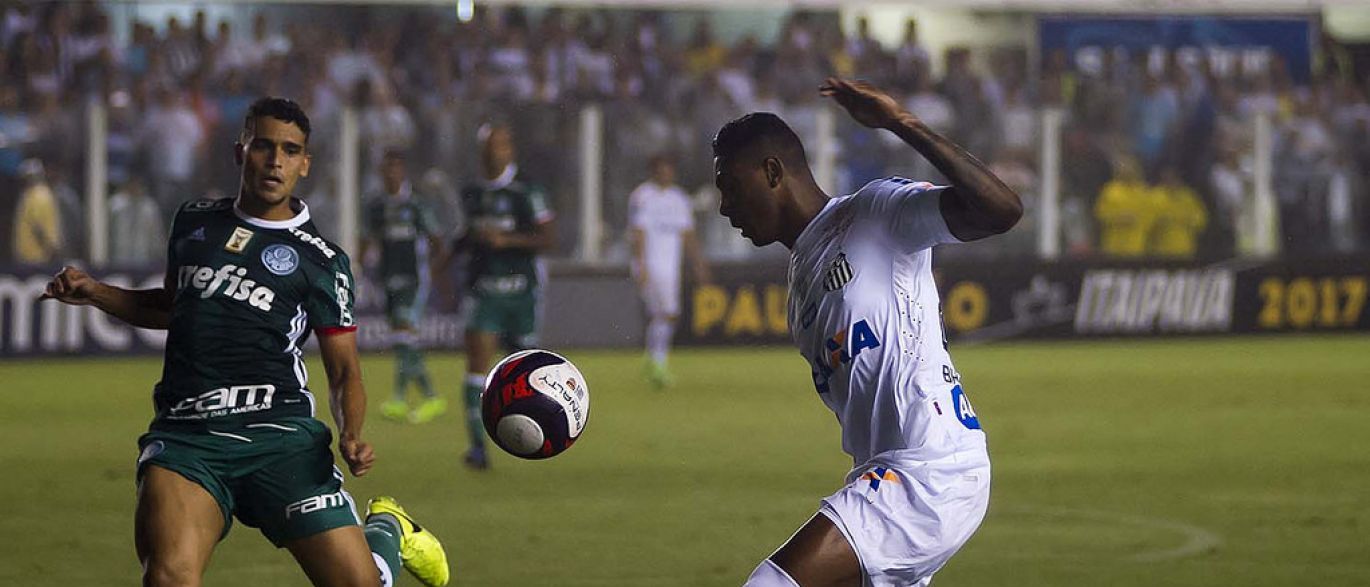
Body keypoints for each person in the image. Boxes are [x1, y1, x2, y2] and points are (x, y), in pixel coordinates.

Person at [40, 98, 449, 587]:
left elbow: (343, 370)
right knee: (168, 577)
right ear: (241, 152)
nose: (276, 160)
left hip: (282, 438)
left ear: (304, 164)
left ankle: (386, 531)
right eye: (264, 146)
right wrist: (95, 293)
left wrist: (352, 433)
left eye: (290, 150)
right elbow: (174, 306)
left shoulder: (322, 261)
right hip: (189, 438)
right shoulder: (193, 222)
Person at [715, 78, 1022, 587]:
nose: (725, 208)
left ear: (772, 172)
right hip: (887, 475)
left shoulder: (875, 213)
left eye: (731, 187)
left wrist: (903, 124)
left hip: (928, 471)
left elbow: (1001, 211)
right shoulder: (800, 290)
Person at [455, 122, 555, 470]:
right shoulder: (471, 193)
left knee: (524, 373)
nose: (494, 152)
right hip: (485, 292)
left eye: (500, 145)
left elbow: (547, 239)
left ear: (509, 150)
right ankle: (478, 448)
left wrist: (506, 241)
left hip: (522, 292)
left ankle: (531, 438)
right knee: (477, 370)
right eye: (488, 146)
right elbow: (466, 237)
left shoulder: (527, 190)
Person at [362, 149, 447, 424]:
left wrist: (432, 271)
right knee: (403, 339)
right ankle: (428, 397)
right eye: (387, 168)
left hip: (414, 278)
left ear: (403, 171)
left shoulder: (417, 205)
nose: (392, 174)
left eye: (396, 168)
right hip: (388, 278)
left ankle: (403, 398)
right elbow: (367, 240)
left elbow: (437, 241)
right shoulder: (376, 206)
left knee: (403, 332)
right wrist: (361, 268)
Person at [627, 154, 710, 388]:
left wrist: (698, 264)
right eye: (661, 169)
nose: (666, 173)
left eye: (669, 169)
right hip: (651, 264)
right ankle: (657, 363)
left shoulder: (679, 199)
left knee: (664, 314)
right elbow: (638, 232)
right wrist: (641, 264)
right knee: (667, 312)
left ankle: (654, 359)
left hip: (670, 266)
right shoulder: (643, 196)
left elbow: (687, 235)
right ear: (653, 171)